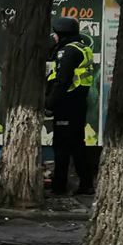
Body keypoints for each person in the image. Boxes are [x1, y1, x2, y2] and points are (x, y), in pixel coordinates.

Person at [45, 17, 95, 195]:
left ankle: (59, 187)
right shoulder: (82, 47)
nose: (54, 37)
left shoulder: (68, 51)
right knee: (77, 145)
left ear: (62, 33)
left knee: (61, 147)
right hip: (79, 102)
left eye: (56, 34)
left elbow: (62, 81)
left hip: (66, 103)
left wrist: (50, 103)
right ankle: (86, 184)